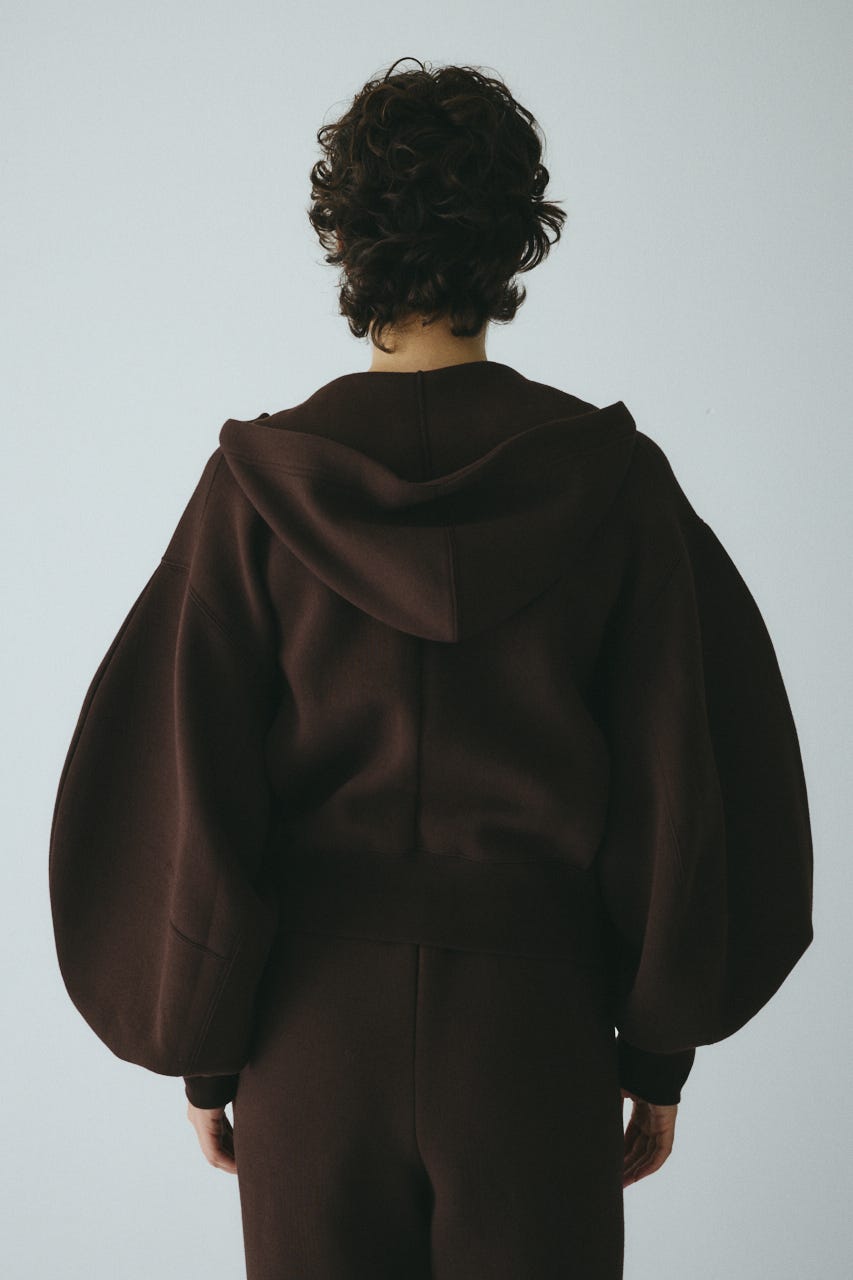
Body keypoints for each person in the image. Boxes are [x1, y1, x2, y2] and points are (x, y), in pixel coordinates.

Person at [49, 57, 814, 1279]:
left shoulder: (256, 493)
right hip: (534, 1036)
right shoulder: (613, 487)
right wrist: (658, 1051)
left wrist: (205, 1050)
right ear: (515, 241)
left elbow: (190, 778)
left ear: (344, 239)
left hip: (311, 1043)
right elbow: (686, 771)